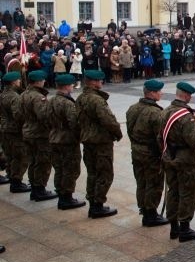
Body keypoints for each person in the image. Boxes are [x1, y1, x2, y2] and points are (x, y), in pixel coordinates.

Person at [160, 81, 195, 241]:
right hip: (185, 159)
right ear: (186, 95)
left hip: (169, 157)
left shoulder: (165, 112)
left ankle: (174, 227)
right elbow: (193, 140)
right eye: (190, 96)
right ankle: (185, 228)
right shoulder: (184, 116)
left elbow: (159, 136)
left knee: (173, 191)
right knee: (187, 192)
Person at [76, 70, 123, 217]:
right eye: (100, 81)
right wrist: (118, 133)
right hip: (100, 141)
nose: (101, 83)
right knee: (104, 173)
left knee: (92, 173)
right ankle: (98, 205)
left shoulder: (81, 97)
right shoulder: (96, 100)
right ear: (94, 82)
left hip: (88, 139)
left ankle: (93, 202)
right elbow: (108, 120)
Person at [126, 79, 169, 227]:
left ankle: (144, 208)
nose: (161, 93)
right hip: (151, 154)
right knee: (154, 183)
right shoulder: (156, 113)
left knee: (141, 181)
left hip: (137, 150)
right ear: (151, 93)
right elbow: (160, 137)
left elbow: (130, 130)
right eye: (159, 91)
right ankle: (150, 214)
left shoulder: (132, 108)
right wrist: (164, 155)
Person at [48, 74, 85, 210]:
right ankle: (66, 198)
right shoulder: (68, 103)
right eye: (71, 85)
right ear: (66, 86)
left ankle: (61, 194)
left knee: (59, 168)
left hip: (54, 137)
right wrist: (79, 137)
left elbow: (46, 119)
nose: (72, 87)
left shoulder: (51, 100)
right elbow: (74, 124)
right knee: (70, 169)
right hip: (67, 140)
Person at [20, 70, 58, 202]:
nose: (44, 82)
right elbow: (44, 116)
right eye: (42, 80)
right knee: (43, 162)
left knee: (33, 161)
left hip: (28, 132)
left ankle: (35, 189)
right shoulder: (37, 97)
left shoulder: (24, 94)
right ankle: (39, 189)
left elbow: (19, 114)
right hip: (39, 134)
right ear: (38, 82)